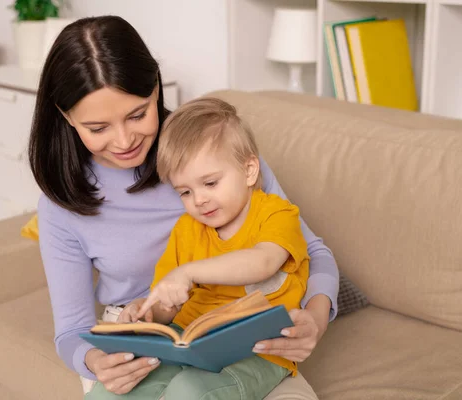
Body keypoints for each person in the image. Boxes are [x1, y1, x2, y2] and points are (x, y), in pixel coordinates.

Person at [29, 15, 339, 399]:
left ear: (156, 87)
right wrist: (94, 360)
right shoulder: (61, 206)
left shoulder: (212, 150)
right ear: (66, 116)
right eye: (98, 128)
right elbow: (70, 331)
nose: (125, 140)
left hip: (245, 323)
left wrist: (316, 319)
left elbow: (310, 252)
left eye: (138, 114)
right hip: (147, 329)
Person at [91, 97, 309, 400]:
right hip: (190, 342)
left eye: (210, 183)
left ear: (248, 171)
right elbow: (167, 307)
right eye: (185, 191)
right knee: (108, 393)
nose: (199, 200)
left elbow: (263, 261)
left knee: (189, 391)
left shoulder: (277, 213)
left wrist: (189, 272)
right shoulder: (186, 230)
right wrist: (147, 312)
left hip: (259, 349)